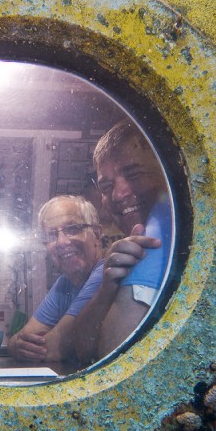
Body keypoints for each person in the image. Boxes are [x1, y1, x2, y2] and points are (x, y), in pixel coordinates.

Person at [73, 121, 172, 364]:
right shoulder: (120, 257)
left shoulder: (169, 228)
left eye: (134, 174)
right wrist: (108, 286)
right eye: (106, 186)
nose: (118, 194)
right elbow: (81, 350)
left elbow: (115, 356)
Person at [7, 195, 104, 362]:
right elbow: (20, 338)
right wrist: (16, 345)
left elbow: (52, 350)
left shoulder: (103, 273)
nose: (61, 242)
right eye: (52, 235)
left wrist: (23, 345)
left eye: (72, 229)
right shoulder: (64, 284)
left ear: (96, 235)